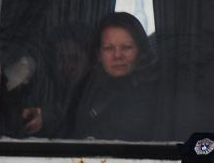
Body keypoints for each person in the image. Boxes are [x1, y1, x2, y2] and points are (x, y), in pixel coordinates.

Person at [65, 11, 160, 141]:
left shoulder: (155, 95)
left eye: (126, 47)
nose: (117, 55)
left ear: (141, 50)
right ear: (98, 54)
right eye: (109, 48)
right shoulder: (86, 87)